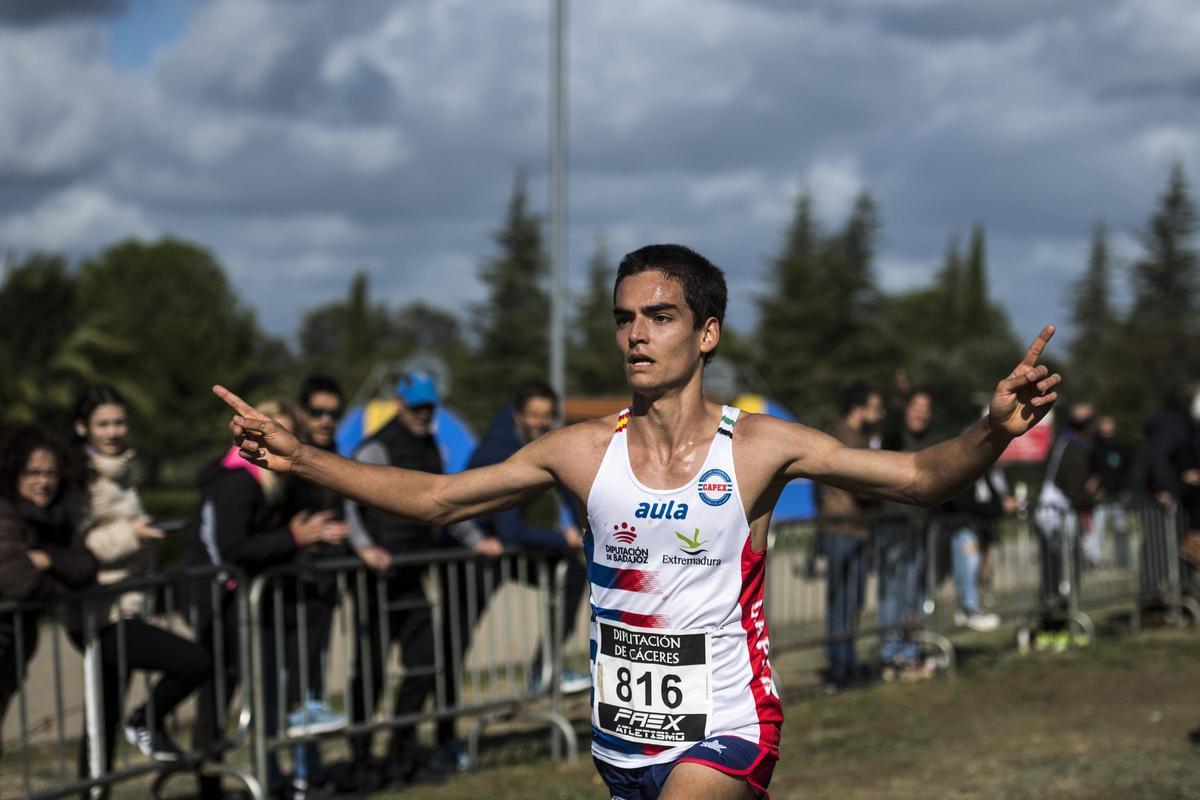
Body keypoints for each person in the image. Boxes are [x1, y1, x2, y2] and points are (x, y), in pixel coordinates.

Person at [216, 243, 1061, 800]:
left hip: (729, 725)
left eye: (659, 317)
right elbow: (440, 499)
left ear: (707, 334)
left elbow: (917, 477)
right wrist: (304, 458)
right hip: (623, 741)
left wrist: (991, 431)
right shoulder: (580, 453)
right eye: (624, 317)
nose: (636, 334)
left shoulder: (762, 448)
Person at [184, 399, 347, 799]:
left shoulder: (265, 481)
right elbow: (233, 547)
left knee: (249, 695)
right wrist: (294, 538)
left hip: (238, 602)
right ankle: (211, 785)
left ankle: (263, 776)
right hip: (217, 603)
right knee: (218, 699)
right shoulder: (237, 480)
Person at [433, 382, 591, 759]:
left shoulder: (547, 441)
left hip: (503, 551)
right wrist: (565, 539)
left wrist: (588, 523)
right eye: (533, 415)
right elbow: (512, 530)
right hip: (468, 554)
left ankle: (544, 668)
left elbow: (569, 486)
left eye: (546, 415)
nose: (540, 422)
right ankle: (443, 738)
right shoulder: (499, 449)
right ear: (519, 415)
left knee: (571, 573)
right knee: (454, 647)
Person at [71, 384, 212, 770]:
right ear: (83, 428)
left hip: (127, 604)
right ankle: (146, 721)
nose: (114, 431)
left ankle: (94, 788)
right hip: (100, 612)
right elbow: (78, 545)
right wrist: (131, 534)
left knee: (102, 720)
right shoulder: (80, 478)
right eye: (103, 424)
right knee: (193, 661)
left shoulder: (121, 471)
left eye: (119, 422)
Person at [342, 372, 453, 789]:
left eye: (430, 407)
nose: (425, 414)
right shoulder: (376, 446)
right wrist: (364, 546)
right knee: (368, 674)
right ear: (400, 404)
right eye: (418, 406)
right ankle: (360, 761)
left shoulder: (431, 447)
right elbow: (350, 499)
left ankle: (401, 753)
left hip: (413, 576)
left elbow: (443, 499)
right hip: (376, 580)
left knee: (424, 665)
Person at [0, 426, 97, 751]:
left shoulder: (53, 519)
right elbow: (20, 583)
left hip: (13, 646)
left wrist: (48, 558)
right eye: (33, 473)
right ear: (15, 473)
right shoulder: (6, 514)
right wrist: (60, 573)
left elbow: (85, 568)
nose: (43, 481)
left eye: (50, 473)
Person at [281, 376, 351, 797]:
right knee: (288, 691)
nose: (326, 420)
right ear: (302, 414)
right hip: (286, 587)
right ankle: (285, 774)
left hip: (323, 584)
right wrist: (295, 533)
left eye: (334, 413)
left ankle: (311, 772)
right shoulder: (288, 462)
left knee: (312, 689)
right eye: (318, 412)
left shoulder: (334, 457)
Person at [817, 383, 883, 692]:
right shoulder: (849, 439)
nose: (877, 413)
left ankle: (845, 663)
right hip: (844, 529)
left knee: (847, 602)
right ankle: (840, 667)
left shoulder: (840, 434)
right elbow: (863, 485)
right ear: (859, 408)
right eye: (873, 407)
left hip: (848, 528)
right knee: (843, 603)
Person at [878, 388, 934, 678]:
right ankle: (890, 655)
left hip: (919, 526)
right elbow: (888, 430)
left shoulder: (931, 441)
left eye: (927, 407)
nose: (921, 412)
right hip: (893, 525)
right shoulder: (895, 436)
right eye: (916, 406)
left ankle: (911, 653)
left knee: (915, 594)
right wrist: (897, 404)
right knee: (893, 593)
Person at [1086, 414, 1132, 569]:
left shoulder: (1121, 447)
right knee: (1097, 529)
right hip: (1103, 497)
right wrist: (1095, 489)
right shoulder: (1095, 448)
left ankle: (1123, 561)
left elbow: (1127, 470)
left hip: (1118, 496)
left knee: (1121, 528)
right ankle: (1093, 560)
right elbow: (1092, 473)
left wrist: (1126, 489)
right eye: (1103, 424)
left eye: (1109, 423)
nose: (1106, 427)